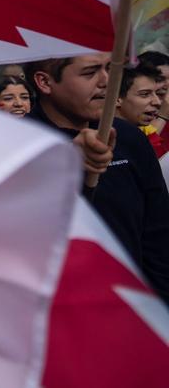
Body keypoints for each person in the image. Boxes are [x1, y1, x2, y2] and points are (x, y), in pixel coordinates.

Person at [25, 54, 169, 302]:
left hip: (137, 313)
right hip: (60, 317)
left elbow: (159, 234)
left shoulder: (129, 138)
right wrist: (66, 167)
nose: (105, 80)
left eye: (109, 69)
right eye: (89, 72)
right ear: (44, 82)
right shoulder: (17, 144)